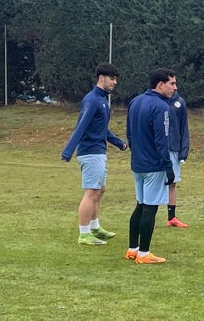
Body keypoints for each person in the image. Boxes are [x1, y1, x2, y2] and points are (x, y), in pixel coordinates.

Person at [61, 62, 127, 245]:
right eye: (112, 79)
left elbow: (100, 129)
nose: (115, 83)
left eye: (115, 79)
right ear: (101, 78)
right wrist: (68, 152)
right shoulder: (92, 100)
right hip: (90, 153)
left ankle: (95, 227)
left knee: (100, 190)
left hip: (99, 151)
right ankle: (84, 234)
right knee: (92, 192)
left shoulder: (103, 100)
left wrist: (118, 143)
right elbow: (81, 126)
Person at [125, 69, 178, 264]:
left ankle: (132, 249)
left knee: (140, 205)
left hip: (137, 164)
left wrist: (137, 154)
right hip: (154, 166)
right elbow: (162, 139)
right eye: (172, 83)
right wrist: (168, 166)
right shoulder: (161, 107)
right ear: (160, 84)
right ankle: (144, 253)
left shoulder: (135, 101)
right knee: (150, 208)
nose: (175, 88)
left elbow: (129, 133)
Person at [165, 87, 190, 228]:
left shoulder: (179, 103)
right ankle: (149, 217)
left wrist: (183, 151)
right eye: (171, 83)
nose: (174, 87)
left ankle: (171, 217)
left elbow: (184, 128)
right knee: (156, 183)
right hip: (157, 150)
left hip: (174, 148)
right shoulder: (155, 101)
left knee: (172, 183)